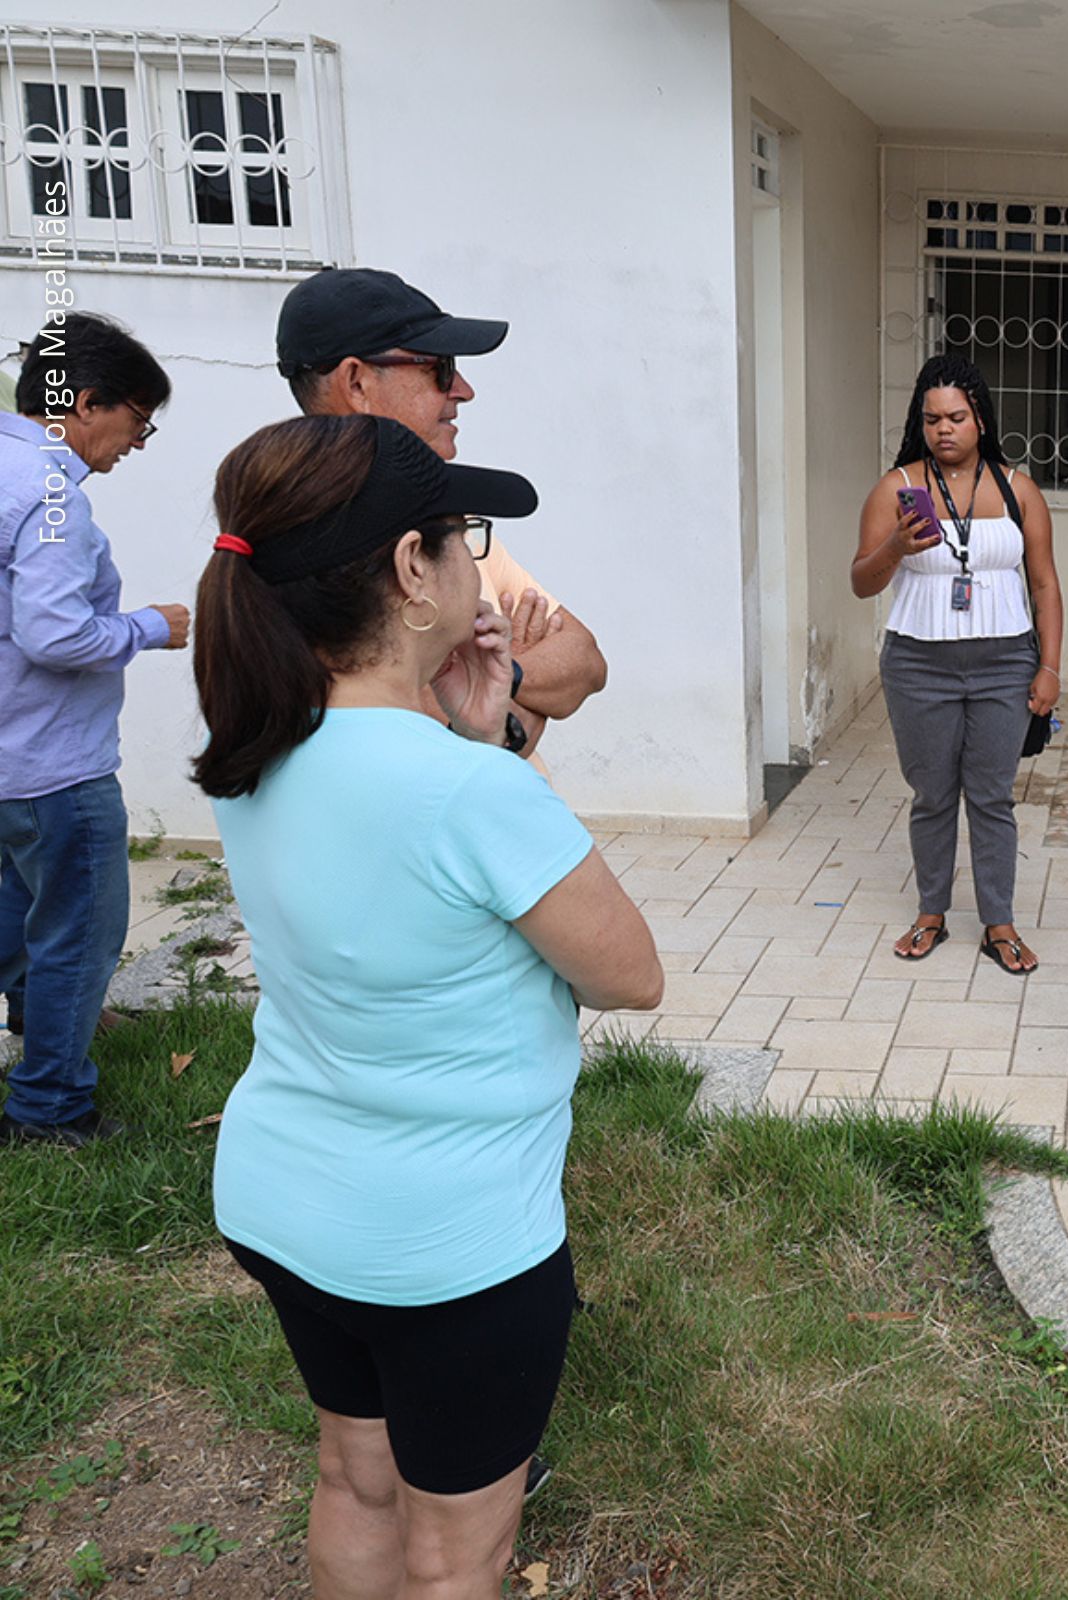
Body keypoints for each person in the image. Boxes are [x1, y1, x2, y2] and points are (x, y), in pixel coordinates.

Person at [193, 414, 662, 1599]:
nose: (475, 563)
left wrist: (470, 733)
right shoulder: (471, 792)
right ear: (412, 570)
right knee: (460, 1556)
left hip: (286, 1194)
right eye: (462, 538)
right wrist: (496, 743)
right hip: (449, 1245)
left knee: (356, 1475)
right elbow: (630, 974)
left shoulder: (254, 750)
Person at [279, 267, 606, 762]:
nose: (464, 390)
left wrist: (504, 675)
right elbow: (454, 750)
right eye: (441, 367)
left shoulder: (447, 516)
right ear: (356, 382)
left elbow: (586, 662)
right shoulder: (319, 545)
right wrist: (510, 701)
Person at [0, 312, 186, 1146]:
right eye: (138, 422)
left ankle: (32, 1030)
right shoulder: (53, 503)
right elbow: (54, 635)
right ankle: (49, 1109)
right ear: (83, 403)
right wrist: (154, 624)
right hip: (54, 767)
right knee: (79, 935)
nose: (138, 443)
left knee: (15, 915)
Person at [851, 354, 1063, 974]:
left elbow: (1045, 584)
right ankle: (931, 913)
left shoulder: (1018, 488)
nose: (945, 429)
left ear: (980, 419)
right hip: (918, 664)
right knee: (933, 794)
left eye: (958, 417)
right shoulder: (895, 488)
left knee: (993, 796)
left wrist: (1049, 668)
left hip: (1005, 663)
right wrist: (895, 545)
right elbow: (862, 581)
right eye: (932, 418)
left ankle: (999, 923)